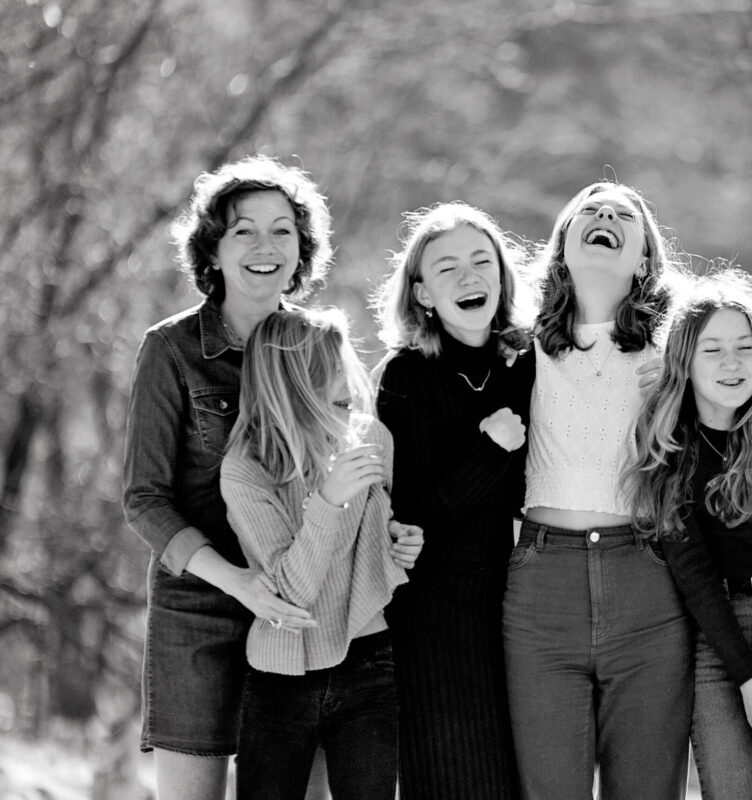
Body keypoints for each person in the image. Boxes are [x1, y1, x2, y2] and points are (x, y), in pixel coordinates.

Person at [123, 156, 329, 800]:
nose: (265, 247)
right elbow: (144, 500)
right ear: (212, 249)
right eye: (244, 230)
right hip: (201, 609)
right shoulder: (171, 350)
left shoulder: (322, 348)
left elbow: (353, 475)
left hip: (304, 605)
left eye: (282, 231)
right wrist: (238, 582)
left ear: (302, 252)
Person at [502, 181, 694, 800]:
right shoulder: (513, 347)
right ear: (561, 249)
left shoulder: (674, 357)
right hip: (539, 588)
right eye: (590, 210)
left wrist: (678, 390)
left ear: (644, 260)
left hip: (647, 582)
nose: (605, 215)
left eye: (623, 215)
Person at [624, 269, 752, 800]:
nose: (732, 362)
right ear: (684, 362)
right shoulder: (669, 448)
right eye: (713, 349)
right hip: (721, 634)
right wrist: (749, 679)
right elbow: (693, 576)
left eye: (745, 346)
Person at [373, 202, 534, 799]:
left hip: (519, 601)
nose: (469, 278)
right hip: (434, 612)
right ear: (421, 293)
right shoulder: (406, 375)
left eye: (480, 261)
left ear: (501, 275)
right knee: (456, 778)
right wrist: (490, 451)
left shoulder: (527, 365)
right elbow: (409, 516)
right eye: (447, 269)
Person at [220, 308, 412, 800]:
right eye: (330, 363)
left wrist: (401, 540)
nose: (348, 374)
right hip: (281, 675)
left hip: (371, 664)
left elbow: (375, 537)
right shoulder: (246, 471)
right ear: (294, 382)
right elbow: (290, 592)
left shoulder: (372, 438)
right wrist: (328, 500)